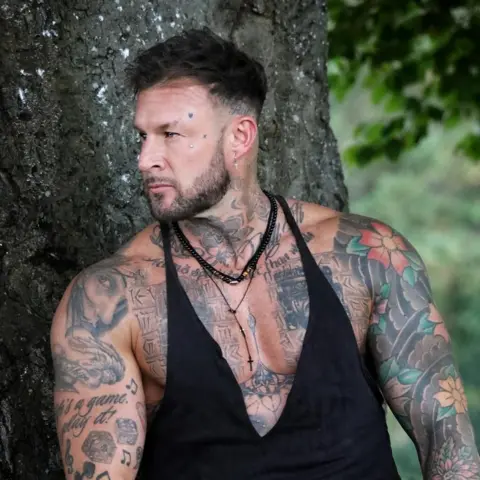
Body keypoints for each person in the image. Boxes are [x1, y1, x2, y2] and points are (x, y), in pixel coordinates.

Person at [51, 27, 480, 479]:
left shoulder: (367, 256)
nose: (145, 158)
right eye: (143, 136)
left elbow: (446, 437)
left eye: (170, 134)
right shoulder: (106, 301)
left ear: (240, 137)